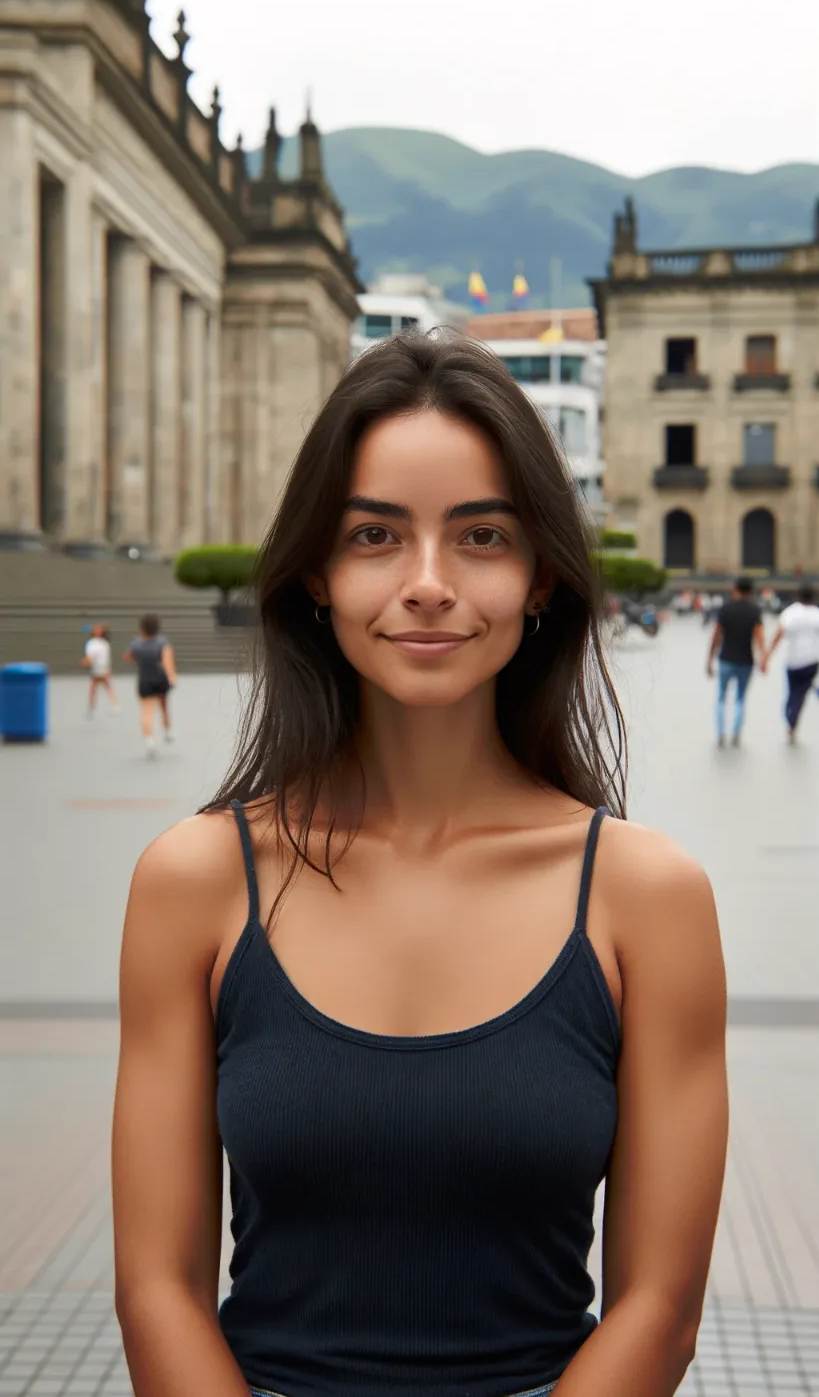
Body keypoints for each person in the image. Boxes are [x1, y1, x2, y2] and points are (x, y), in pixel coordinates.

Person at [112, 332, 728, 1397]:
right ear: (317, 571)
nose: (429, 584)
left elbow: (659, 1309)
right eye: (376, 535)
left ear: (540, 576)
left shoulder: (646, 899)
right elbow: (156, 1286)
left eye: (482, 534)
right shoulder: (196, 881)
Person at [707, 577, 765, 747]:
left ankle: (720, 733)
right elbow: (759, 637)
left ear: (736, 589)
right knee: (740, 698)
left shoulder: (726, 609)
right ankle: (736, 732)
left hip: (726, 659)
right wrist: (764, 658)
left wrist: (709, 660)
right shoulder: (755, 611)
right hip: (746, 661)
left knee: (721, 698)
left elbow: (716, 636)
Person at [763, 583, 819, 743]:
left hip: (793, 661)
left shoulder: (790, 613)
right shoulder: (816, 614)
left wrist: (766, 656)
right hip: (812, 661)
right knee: (800, 693)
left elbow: (778, 636)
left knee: (793, 692)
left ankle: (790, 717)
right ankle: (793, 721)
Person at [124, 614, 177, 759]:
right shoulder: (162, 643)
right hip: (160, 680)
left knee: (147, 711)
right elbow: (167, 663)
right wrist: (172, 678)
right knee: (164, 706)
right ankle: (167, 731)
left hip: (145, 681)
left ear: (142, 628)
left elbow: (128, 657)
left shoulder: (136, 644)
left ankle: (149, 741)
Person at [80, 623, 119, 717]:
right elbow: (90, 657)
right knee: (94, 689)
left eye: (99, 629)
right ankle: (92, 708)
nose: (97, 630)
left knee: (107, 687)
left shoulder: (103, 643)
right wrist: (86, 661)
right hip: (96, 669)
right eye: (96, 629)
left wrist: (107, 669)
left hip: (103, 669)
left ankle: (114, 705)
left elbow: (105, 657)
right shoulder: (91, 643)